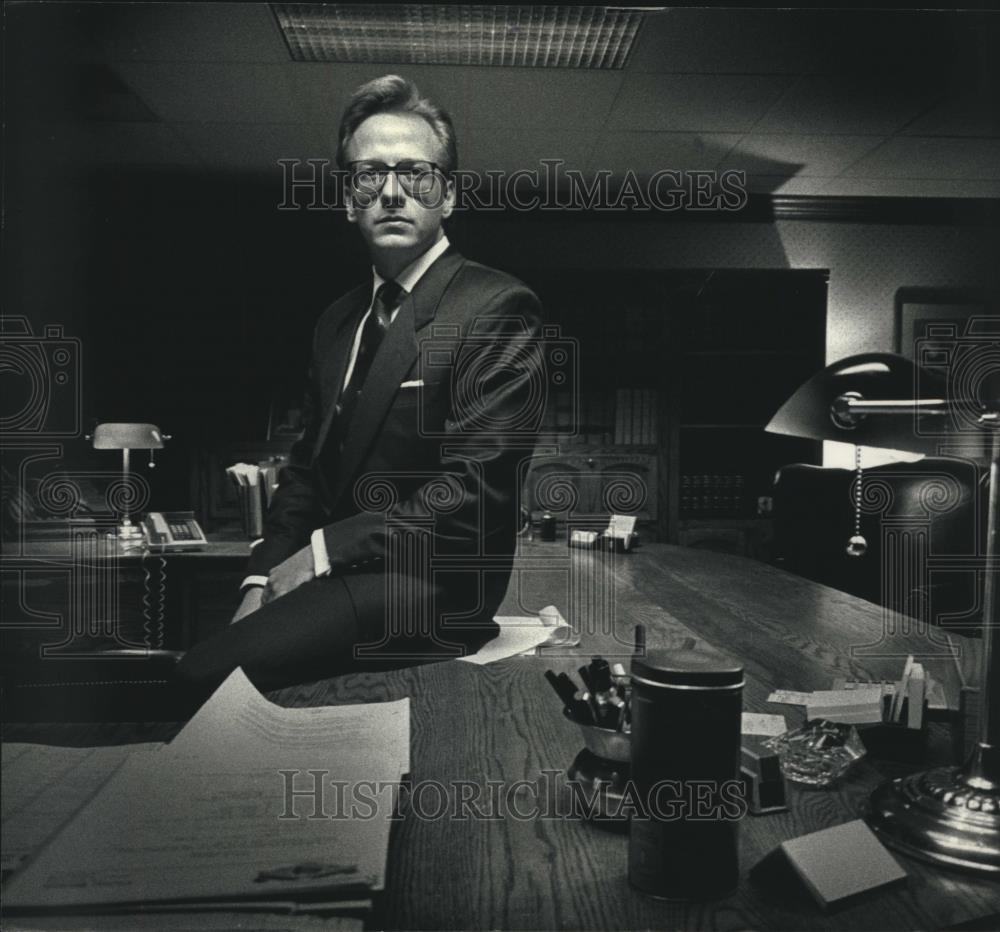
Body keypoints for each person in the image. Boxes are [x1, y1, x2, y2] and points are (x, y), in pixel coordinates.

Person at [177, 75, 544, 689]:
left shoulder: (497, 305)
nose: (393, 192)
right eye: (370, 174)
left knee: (204, 676)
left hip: (434, 588)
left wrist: (318, 556)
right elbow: (306, 473)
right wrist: (262, 576)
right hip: (337, 575)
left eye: (416, 173)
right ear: (349, 199)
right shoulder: (337, 321)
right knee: (215, 663)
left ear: (447, 196)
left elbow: (475, 491)